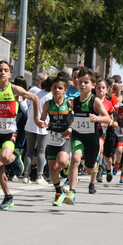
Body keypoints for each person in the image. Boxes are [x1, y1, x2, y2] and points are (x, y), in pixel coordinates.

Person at [0, 60, 44, 210]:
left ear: (10, 74)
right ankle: (8, 196)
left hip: (10, 130)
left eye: (5, 70)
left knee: (5, 158)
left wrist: (36, 118)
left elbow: (34, 98)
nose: (2, 72)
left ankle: (15, 158)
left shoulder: (14, 89)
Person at [61, 68, 111, 204]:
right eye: (80, 82)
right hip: (78, 136)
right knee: (75, 158)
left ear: (93, 85)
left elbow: (108, 119)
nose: (82, 85)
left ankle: (95, 162)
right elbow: (75, 119)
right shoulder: (74, 101)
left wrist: (97, 118)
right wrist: (70, 129)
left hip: (92, 139)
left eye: (86, 82)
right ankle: (72, 191)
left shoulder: (95, 101)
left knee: (89, 168)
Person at [40, 75, 73, 206]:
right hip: (52, 137)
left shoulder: (69, 103)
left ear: (65, 90)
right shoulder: (48, 104)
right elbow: (42, 119)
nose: (57, 90)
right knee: (53, 169)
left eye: (60, 88)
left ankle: (68, 167)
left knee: (63, 162)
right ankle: (58, 192)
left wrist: (70, 127)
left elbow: (77, 118)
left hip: (65, 137)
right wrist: (42, 123)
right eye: (54, 88)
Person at [21, 75, 52, 185]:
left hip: (30, 123)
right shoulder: (51, 96)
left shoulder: (36, 92)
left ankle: (26, 175)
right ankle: (39, 175)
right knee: (41, 151)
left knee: (29, 150)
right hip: (42, 124)